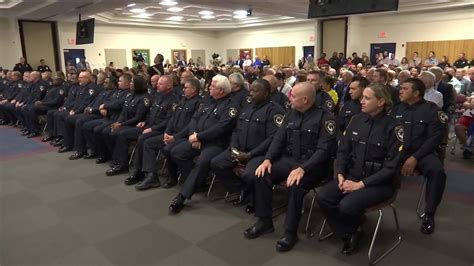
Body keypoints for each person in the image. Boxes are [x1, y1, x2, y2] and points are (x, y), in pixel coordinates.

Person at [243, 81, 336, 252]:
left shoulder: (326, 118)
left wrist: (303, 168)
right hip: (290, 160)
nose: (289, 98)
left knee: (295, 184)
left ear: (306, 100)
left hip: (313, 166)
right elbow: (278, 139)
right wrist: (267, 159)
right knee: (262, 173)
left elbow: (323, 150)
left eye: (293, 96)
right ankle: (264, 220)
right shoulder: (291, 114)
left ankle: (290, 231)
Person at [316, 83, 402, 255]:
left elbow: (391, 168)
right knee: (323, 196)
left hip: (379, 183)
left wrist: (360, 185)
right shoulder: (356, 120)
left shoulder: (394, 128)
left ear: (381, 102)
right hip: (351, 175)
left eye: (367, 98)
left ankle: (352, 230)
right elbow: (342, 152)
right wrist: (339, 173)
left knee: (346, 205)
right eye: (362, 97)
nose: (361, 101)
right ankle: (351, 229)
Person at [210, 79, 285, 213]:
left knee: (250, 175)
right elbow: (236, 130)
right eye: (251, 90)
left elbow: (272, 139)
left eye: (256, 91)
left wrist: (250, 155)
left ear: (267, 94)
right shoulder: (247, 107)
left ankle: (254, 199)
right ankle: (241, 190)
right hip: (240, 149)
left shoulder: (275, 111)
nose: (251, 93)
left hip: (259, 154)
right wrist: (233, 147)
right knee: (216, 163)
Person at [167, 75, 238, 214]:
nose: (209, 87)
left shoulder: (231, 106)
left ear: (222, 91)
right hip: (198, 140)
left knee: (203, 162)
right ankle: (198, 181)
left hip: (216, 144)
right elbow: (194, 119)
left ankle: (182, 196)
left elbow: (221, 128)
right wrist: (194, 136)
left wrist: (199, 137)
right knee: (176, 152)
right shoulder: (207, 100)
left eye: (212, 86)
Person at [390, 78, 447, 235]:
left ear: (416, 93)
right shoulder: (396, 109)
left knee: (437, 171)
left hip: (422, 152)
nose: (400, 91)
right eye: (400, 88)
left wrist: (414, 157)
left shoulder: (432, 110)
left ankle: (429, 214)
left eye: (405, 89)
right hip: (399, 151)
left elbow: (435, 138)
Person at [127, 78, 202, 189]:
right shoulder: (183, 100)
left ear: (194, 89)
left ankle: (174, 176)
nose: (183, 89)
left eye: (186, 88)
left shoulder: (198, 103)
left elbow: (191, 125)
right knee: (148, 142)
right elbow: (172, 120)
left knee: (167, 149)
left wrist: (174, 137)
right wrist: (167, 133)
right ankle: (150, 175)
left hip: (184, 136)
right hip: (171, 133)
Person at [105, 75, 179, 175]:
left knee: (142, 139)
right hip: (148, 126)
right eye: (157, 83)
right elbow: (150, 113)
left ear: (169, 86)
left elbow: (168, 121)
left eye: (160, 84)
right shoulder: (158, 96)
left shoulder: (173, 101)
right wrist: (145, 121)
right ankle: (122, 163)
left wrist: (152, 128)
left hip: (160, 130)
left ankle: (138, 170)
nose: (157, 85)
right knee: (122, 133)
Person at [22, 71, 66, 137]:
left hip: (52, 107)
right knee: (26, 107)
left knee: (32, 109)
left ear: (60, 80)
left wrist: (43, 103)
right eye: (53, 79)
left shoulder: (61, 89)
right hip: (45, 105)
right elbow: (45, 98)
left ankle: (35, 130)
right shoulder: (51, 88)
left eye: (55, 79)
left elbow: (56, 101)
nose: (53, 80)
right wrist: (40, 102)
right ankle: (29, 128)